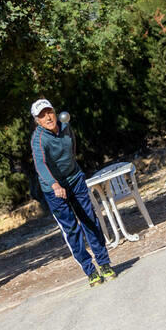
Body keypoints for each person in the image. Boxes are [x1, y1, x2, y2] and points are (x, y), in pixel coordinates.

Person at [29, 98, 116, 286]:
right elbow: (40, 166)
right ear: (37, 120)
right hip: (54, 189)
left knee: (90, 219)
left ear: (54, 111)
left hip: (75, 179)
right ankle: (90, 271)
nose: (48, 117)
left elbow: (72, 147)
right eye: (42, 115)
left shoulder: (65, 125)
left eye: (49, 111)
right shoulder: (38, 139)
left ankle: (104, 263)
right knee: (72, 229)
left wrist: (74, 168)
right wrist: (55, 185)